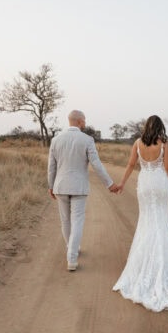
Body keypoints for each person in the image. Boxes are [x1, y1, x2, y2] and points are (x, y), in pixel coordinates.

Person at [113, 115, 168, 311]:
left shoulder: (138, 143)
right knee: (161, 220)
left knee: (146, 221)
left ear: (146, 127)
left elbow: (130, 165)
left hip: (145, 184)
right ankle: (162, 260)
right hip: (160, 184)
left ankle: (145, 260)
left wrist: (121, 183)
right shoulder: (164, 143)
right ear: (161, 127)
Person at [48, 110, 118, 271]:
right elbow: (96, 164)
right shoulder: (87, 140)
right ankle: (72, 258)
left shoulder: (56, 140)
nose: (85, 123)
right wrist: (109, 184)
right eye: (84, 120)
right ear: (79, 121)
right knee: (77, 221)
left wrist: (51, 185)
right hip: (79, 187)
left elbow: (51, 167)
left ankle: (71, 249)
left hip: (61, 186)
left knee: (65, 220)